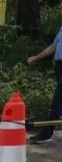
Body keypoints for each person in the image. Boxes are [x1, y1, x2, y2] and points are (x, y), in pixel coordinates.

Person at [27, 3, 62, 144]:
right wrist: (36, 57)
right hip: (60, 66)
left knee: (57, 101)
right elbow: (53, 47)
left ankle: (47, 132)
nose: (60, 9)